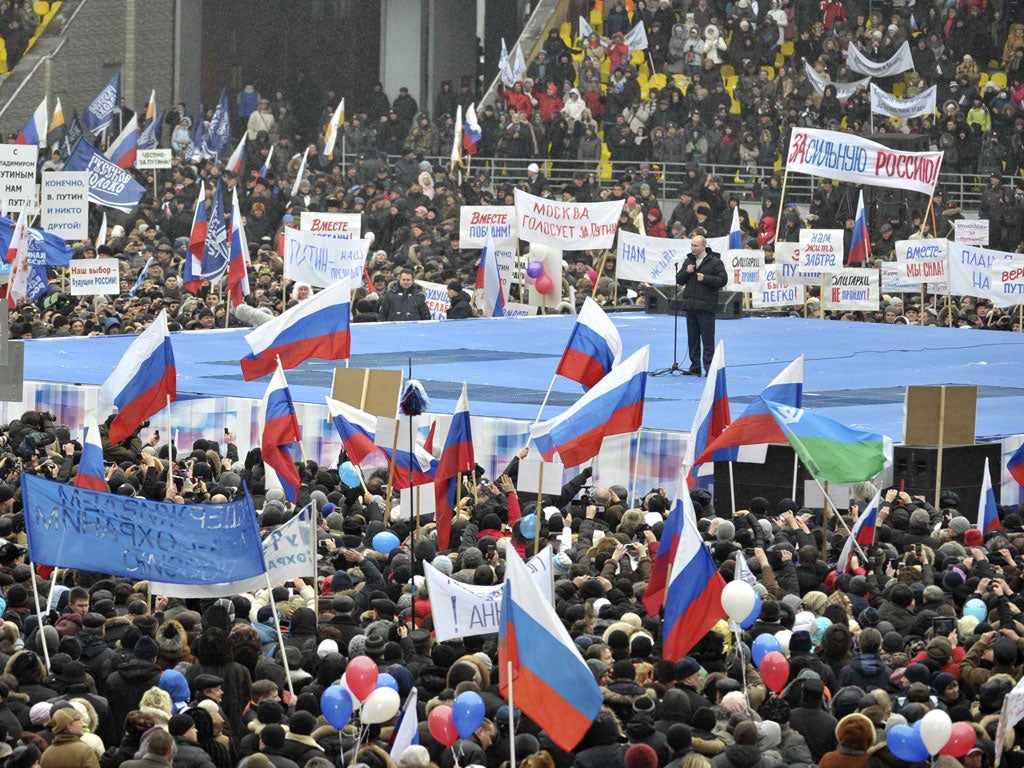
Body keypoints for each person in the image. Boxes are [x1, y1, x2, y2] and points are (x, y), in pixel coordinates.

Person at [675, 234, 726, 376]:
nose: (693, 248)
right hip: (690, 305)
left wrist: (706, 278)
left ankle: (709, 368)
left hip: (706, 305)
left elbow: (723, 280)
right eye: (692, 245)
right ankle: (695, 366)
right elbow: (679, 279)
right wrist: (687, 271)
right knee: (693, 338)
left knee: (707, 339)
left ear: (704, 246)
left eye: (696, 245)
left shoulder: (715, 262)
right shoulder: (688, 261)